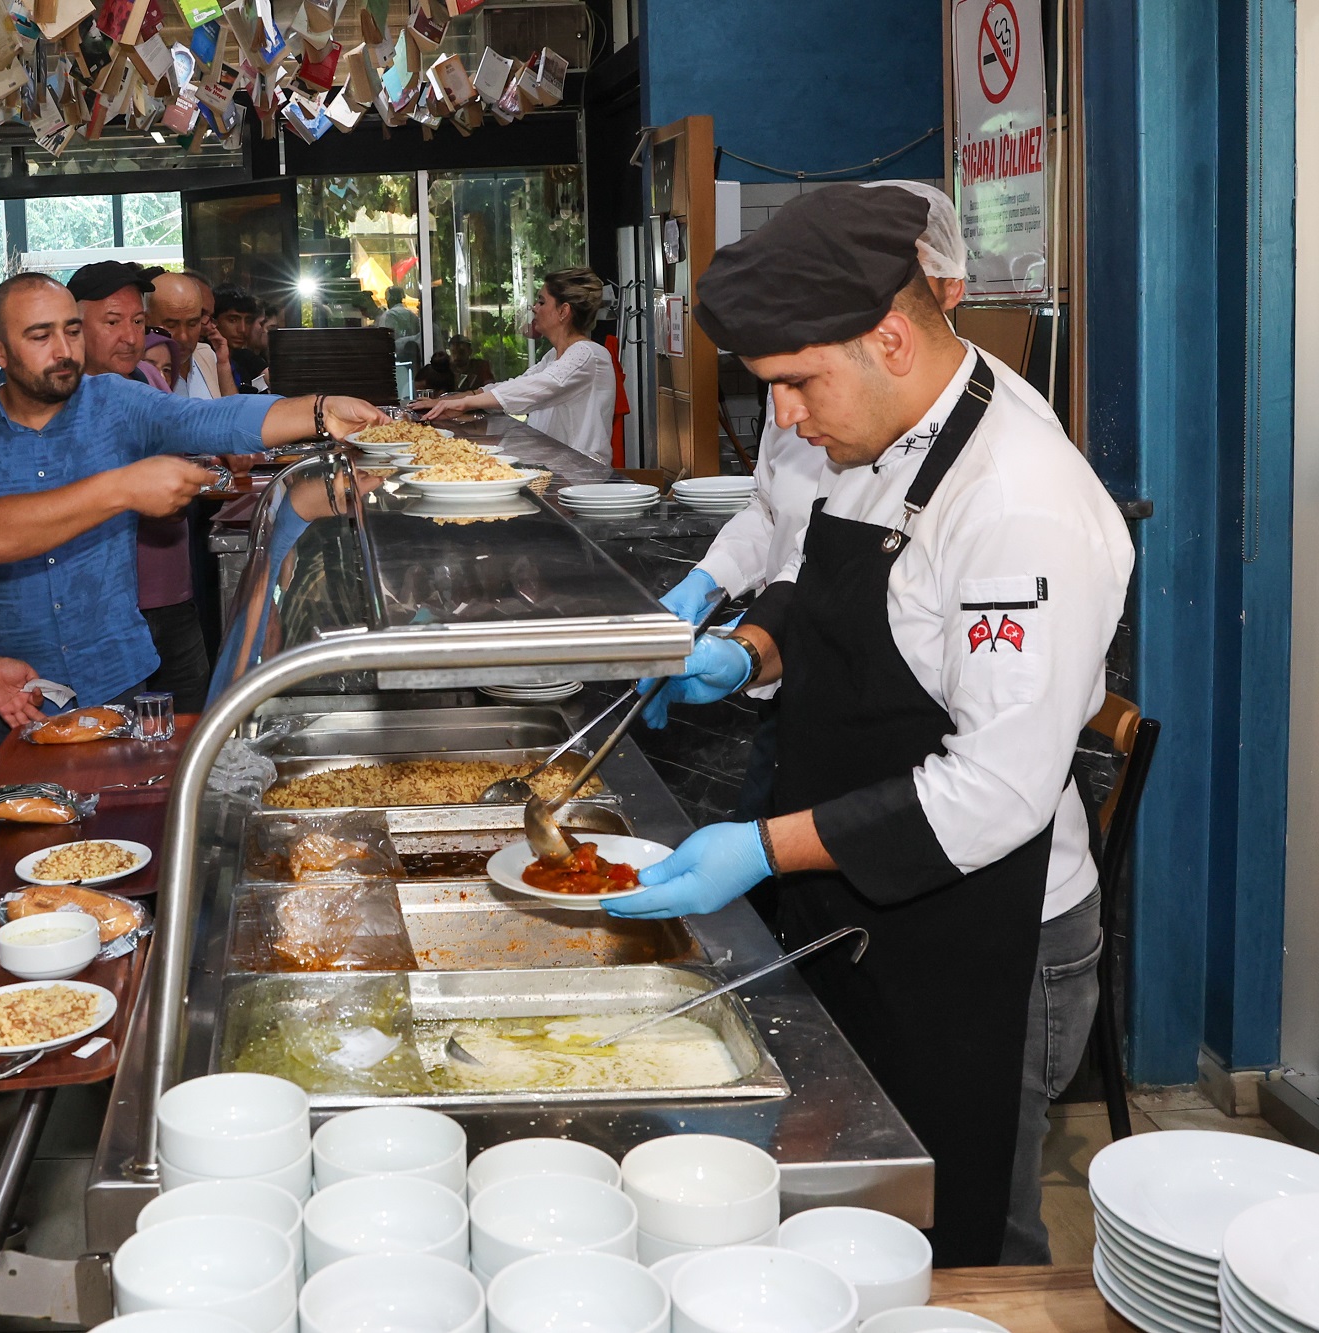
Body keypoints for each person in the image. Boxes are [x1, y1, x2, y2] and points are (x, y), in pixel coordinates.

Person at [608, 186, 1132, 1267]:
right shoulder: (887, 433)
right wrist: (743, 654)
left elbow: (992, 792)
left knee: (962, 1230)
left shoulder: (1017, 502)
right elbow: (829, 593)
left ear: (890, 336)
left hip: (985, 936)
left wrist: (755, 847)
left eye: (796, 385)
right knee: (859, 1203)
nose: (785, 422)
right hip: (866, 897)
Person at [0, 272, 387, 769]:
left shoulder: (113, 401)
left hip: (114, 680)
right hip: (7, 698)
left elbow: (211, 420)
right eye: (40, 336)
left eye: (72, 331)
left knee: (122, 835)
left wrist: (319, 412)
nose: (64, 350)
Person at [74, 261, 215, 715]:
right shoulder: (58, 399)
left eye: (138, 321)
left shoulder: (149, 378)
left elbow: (199, 427)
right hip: (108, 609)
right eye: (112, 322)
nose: (131, 336)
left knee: (193, 728)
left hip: (173, 593)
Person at [422, 268, 615, 461]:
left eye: (541, 301)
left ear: (563, 311)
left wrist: (464, 403)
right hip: (552, 466)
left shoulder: (589, 354)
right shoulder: (553, 356)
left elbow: (535, 389)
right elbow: (514, 385)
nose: (534, 308)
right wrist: (448, 401)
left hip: (581, 474)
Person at [148, 270, 225, 399]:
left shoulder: (206, 355)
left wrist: (224, 366)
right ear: (146, 320)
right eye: (172, 325)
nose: (183, 336)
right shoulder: (136, 370)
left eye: (192, 324)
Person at [214, 285, 267, 392]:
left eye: (248, 321)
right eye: (233, 320)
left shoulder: (243, 361)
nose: (242, 329)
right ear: (214, 321)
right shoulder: (204, 360)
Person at [378, 283, 421, 363]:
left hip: (396, 358)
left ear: (389, 299)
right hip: (413, 356)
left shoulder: (388, 315)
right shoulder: (411, 315)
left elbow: (385, 340)